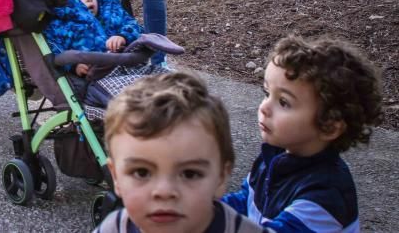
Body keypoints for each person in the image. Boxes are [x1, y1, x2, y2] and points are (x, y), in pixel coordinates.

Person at [223, 36, 382, 232]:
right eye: (267, 93)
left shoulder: (324, 195)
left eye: (284, 102)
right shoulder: (273, 158)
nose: (264, 107)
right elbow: (244, 202)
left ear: (329, 126)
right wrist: (202, 210)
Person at [93, 72, 269, 233]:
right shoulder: (115, 228)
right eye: (141, 172)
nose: (164, 191)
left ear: (221, 176)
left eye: (190, 173)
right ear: (116, 177)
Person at [44, 0, 142, 76]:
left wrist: (123, 36)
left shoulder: (110, 11)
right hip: (98, 75)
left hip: (129, 64)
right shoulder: (61, 25)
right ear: (63, 2)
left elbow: (133, 25)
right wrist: (74, 66)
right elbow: (56, 51)